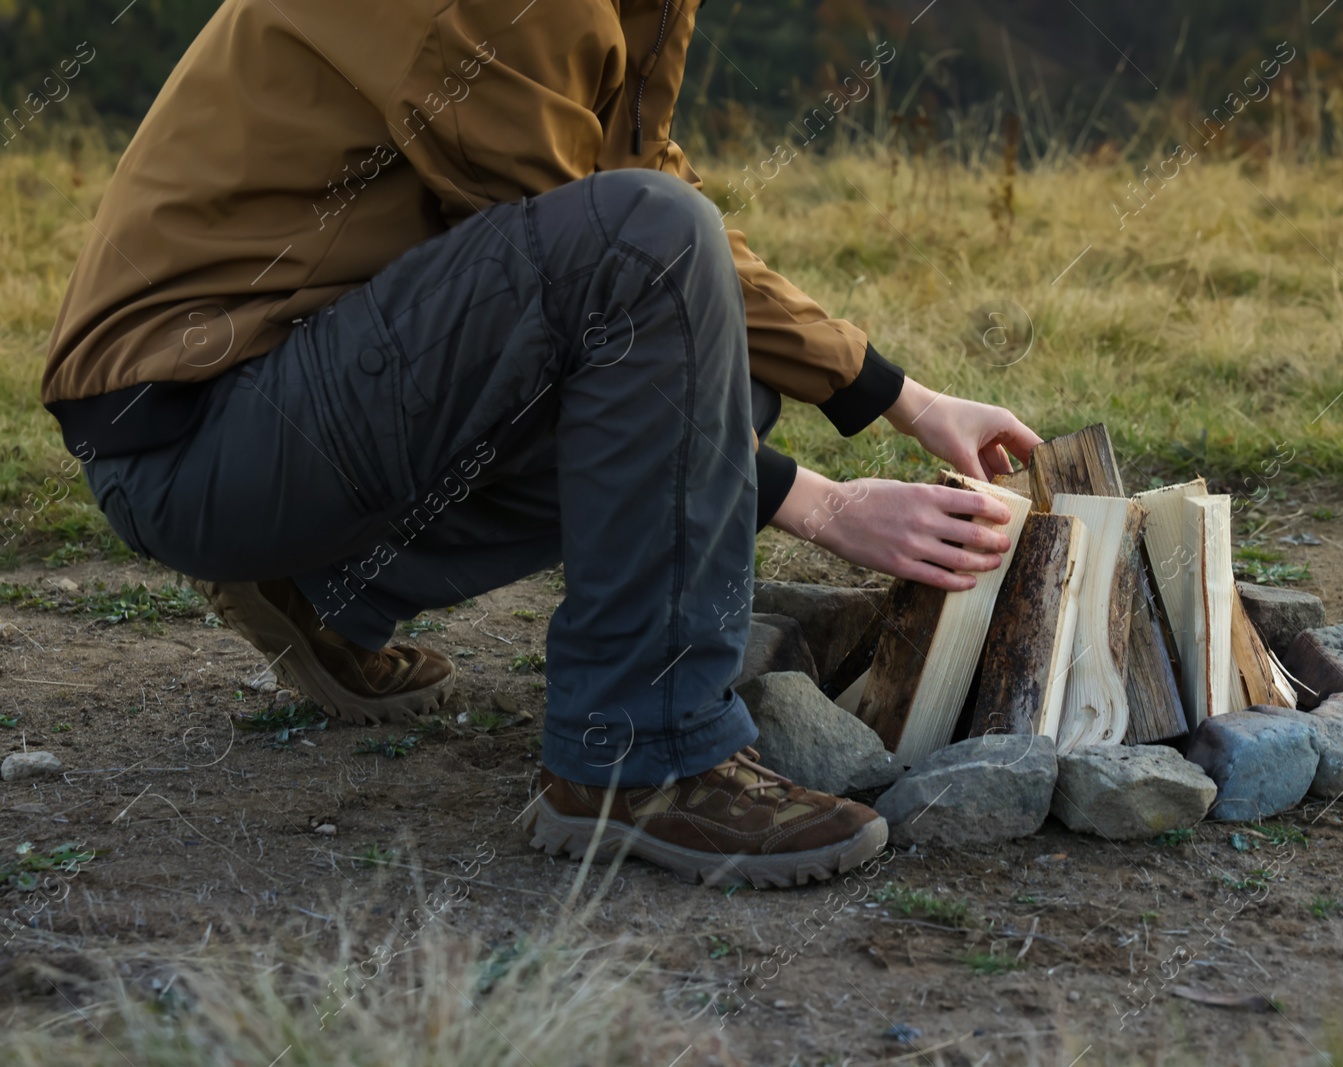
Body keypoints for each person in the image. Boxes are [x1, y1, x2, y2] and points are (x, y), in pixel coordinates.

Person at [42, 0, 1041, 888]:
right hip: (198, 433)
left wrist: (897, 393)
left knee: (720, 362)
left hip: (273, 407)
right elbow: (622, 248)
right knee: (649, 260)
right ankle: (640, 754)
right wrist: (820, 503)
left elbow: (624, 185)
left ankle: (326, 583)